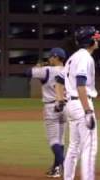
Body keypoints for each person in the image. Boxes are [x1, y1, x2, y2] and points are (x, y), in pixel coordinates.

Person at [54, 26, 100, 180]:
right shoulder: (85, 57)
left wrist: (60, 100)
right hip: (81, 104)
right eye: (95, 37)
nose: (97, 39)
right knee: (89, 147)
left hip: (71, 106)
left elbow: (59, 81)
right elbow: (80, 84)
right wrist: (88, 111)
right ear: (90, 41)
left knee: (74, 146)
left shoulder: (73, 57)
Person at [27, 48, 67, 178]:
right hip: (66, 106)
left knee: (53, 141)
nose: (49, 59)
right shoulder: (69, 70)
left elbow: (28, 72)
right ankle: (56, 169)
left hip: (52, 107)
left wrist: (38, 67)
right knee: (60, 140)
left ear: (56, 57)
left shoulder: (47, 70)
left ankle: (66, 167)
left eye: (51, 57)